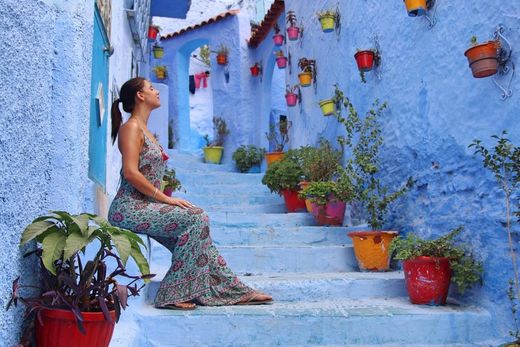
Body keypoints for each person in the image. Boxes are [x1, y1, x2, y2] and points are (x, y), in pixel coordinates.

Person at [107, 77, 272, 310]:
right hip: (129, 209)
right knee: (197, 217)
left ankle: (235, 291)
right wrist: (166, 198)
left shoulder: (146, 129)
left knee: (200, 241)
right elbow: (131, 173)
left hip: (146, 207)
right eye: (151, 88)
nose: (157, 92)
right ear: (140, 96)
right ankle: (171, 294)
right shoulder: (131, 127)